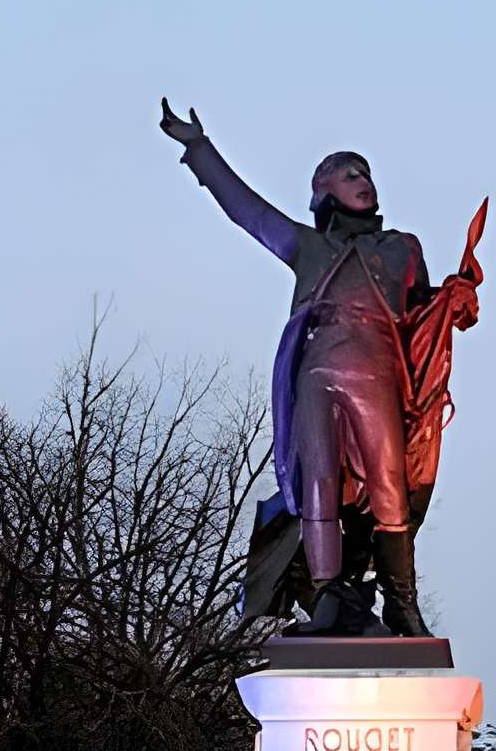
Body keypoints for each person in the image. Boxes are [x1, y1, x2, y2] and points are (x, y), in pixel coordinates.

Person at [159, 101, 479, 633]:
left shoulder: (403, 248)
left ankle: (402, 600)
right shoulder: (306, 246)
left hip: (378, 368)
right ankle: (327, 594)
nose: (364, 181)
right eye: (350, 174)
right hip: (316, 373)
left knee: (389, 483)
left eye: (368, 173)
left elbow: (424, 314)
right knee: (319, 484)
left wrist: (457, 301)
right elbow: (248, 211)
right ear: (325, 190)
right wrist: (199, 149)